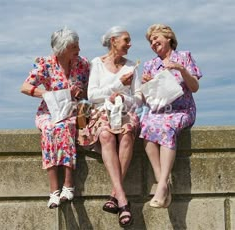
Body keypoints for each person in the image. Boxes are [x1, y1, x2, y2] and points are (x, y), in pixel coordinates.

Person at [79, 26, 142, 227]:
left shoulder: (132, 66)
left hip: (124, 111)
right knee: (105, 134)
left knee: (127, 133)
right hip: (101, 111)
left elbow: (139, 99)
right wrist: (117, 85)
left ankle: (115, 196)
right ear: (113, 41)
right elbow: (93, 95)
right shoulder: (96, 63)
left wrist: (124, 97)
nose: (130, 44)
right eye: (126, 40)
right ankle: (123, 200)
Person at [20, 27, 90, 209]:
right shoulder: (45, 63)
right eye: (74, 47)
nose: (79, 50)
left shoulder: (83, 64)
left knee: (66, 126)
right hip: (49, 111)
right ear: (63, 48)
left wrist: (79, 92)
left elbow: (90, 91)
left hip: (73, 110)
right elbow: (25, 87)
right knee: (51, 128)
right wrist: (48, 93)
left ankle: (68, 184)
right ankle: (54, 190)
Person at [139, 24, 202, 208]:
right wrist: (146, 85)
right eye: (150, 41)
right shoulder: (150, 65)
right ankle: (163, 185)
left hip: (182, 110)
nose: (153, 42)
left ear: (168, 38)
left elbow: (195, 88)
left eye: (156, 38)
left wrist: (181, 69)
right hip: (159, 110)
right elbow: (145, 100)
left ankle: (161, 187)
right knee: (146, 127)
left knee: (166, 127)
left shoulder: (184, 57)